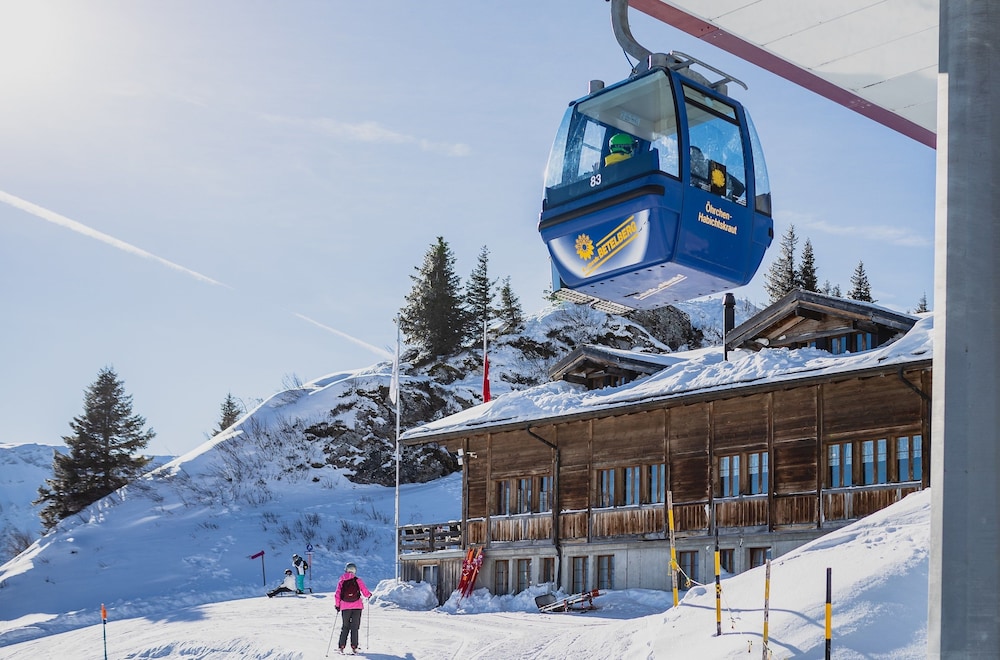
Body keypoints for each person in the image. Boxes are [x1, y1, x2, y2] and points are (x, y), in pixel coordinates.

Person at [334, 562, 372, 654]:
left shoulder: (341, 581)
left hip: (345, 607)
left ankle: (341, 646)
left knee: (345, 627)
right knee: (355, 627)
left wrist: (337, 605)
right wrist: (369, 595)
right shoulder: (358, 580)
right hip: (357, 606)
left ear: (346, 570)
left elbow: (337, 594)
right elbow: (364, 591)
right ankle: (354, 647)